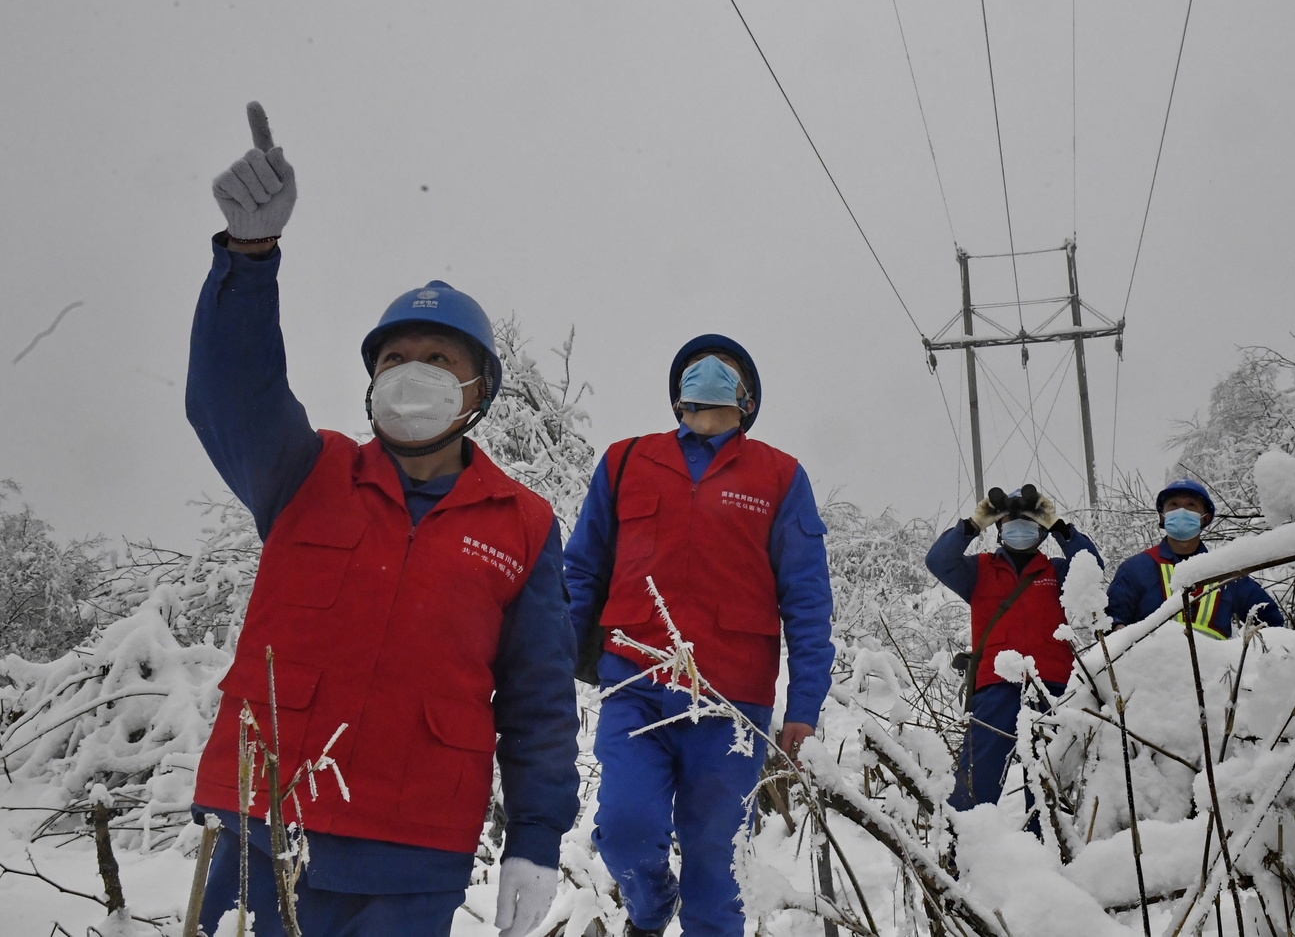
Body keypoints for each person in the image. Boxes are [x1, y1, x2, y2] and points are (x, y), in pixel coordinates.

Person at [185, 108, 579, 937]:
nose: (413, 375)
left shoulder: (523, 523)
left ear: (477, 395)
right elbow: (232, 392)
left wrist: (536, 838)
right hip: (263, 826)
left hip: (414, 850)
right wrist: (249, 258)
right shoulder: (303, 470)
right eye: (395, 358)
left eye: (439, 361)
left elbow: (539, 699)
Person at [563, 336, 834, 937]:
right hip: (634, 683)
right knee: (627, 828)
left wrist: (805, 705)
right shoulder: (625, 461)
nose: (709, 374)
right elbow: (581, 569)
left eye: (727, 369)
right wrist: (556, 664)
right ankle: (651, 908)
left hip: (732, 702)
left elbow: (809, 600)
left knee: (715, 868)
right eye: (695, 368)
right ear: (676, 394)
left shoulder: (780, 476)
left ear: (748, 398)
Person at [926, 484, 1101, 815]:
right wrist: (974, 523)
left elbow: (1090, 568)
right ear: (1000, 530)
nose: (1019, 530)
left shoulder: (1057, 572)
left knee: (1049, 784)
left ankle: (1049, 852)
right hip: (996, 686)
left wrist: (1059, 526)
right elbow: (938, 561)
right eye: (1011, 523)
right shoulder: (978, 571)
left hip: (1054, 687)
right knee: (979, 777)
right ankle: (964, 845)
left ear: (1040, 531)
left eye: (1028, 523)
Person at [1106, 478, 1284, 636]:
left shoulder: (1225, 572)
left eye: (1191, 505)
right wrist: (1117, 629)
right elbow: (1110, 620)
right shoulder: (1135, 569)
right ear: (1162, 516)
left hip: (1216, 671)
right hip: (1154, 672)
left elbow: (1270, 620)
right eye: (1173, 505)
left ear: (1204, 518)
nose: (1181, 511)